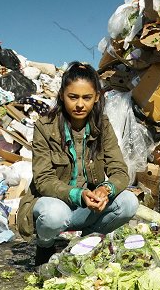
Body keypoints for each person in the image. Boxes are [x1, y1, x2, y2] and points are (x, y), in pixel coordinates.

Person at [17, 61, 139, 266]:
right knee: (54, 215)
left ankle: (85, 242)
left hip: (87, 207)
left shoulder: (102, 126)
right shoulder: (45, 127)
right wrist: (77, 194)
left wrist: (106, 189)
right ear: (62, 95)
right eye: (73, 97)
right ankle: (45, 246)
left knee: (128, 203)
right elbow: (43, 180)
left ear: (97, 98)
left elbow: (119, 171)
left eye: (87, 97)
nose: (80, 104)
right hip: (55, 202)